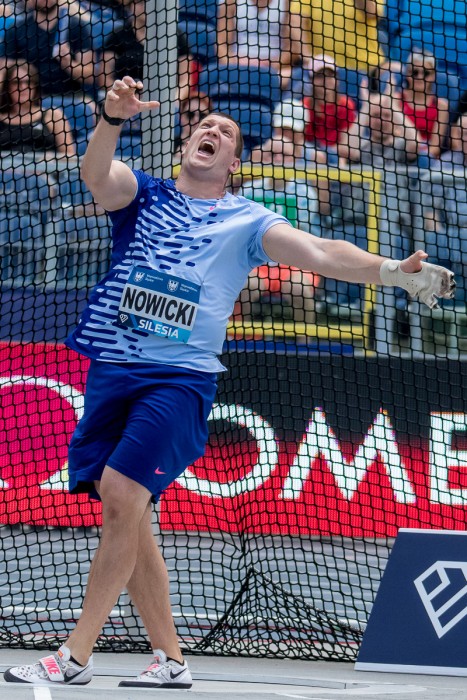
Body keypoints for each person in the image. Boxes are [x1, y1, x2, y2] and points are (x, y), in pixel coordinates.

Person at [4, 75, 455, 689]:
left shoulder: (247, 221)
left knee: (121, 494)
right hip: (113, 369)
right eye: (205, 127)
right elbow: (95, 175)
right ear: (186, 145)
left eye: (226, 132)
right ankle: (171, 660)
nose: (212, 131)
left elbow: (321, 251)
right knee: (130, 516)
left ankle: (75, 657)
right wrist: (110, 118)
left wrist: (393, 272)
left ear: (233, 164)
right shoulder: (145, 195)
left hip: (179, 379)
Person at [0, 0, 98, 102]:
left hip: (70, 98)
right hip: (29, 101)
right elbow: (4, 72)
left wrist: (68, 64)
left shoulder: (76, 26)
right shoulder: (16, 30)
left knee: (89, 106)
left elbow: (90, 76)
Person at [0, 58, 76, 156]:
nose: (23, 87)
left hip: (44, 165)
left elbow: (70, 157)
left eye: (28, 82)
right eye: (16, 82)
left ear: (35, 86)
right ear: (8, 87)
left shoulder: (53, 116)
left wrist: (51, 158)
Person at [289, 0, 385, 72]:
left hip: (366, 69)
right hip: (323, 71)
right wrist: (307, 58)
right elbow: (295, 20)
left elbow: (371, 12)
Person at [217, 0, 293, 86]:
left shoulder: (286, 3)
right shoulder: (231, 2)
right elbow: (221, 43)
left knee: (292, 77)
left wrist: (272, 66)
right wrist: (234, 65)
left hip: (274, 70)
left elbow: (293, 47)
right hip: (238, 65)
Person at [400, 49, 450, 161]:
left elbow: (435, 147)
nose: (420, 77)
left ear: (433, 76)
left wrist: (419, 154)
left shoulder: (441, 106)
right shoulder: (396, 100)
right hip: (400, 154)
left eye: (426, 73)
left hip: (426, 160)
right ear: (407, 74)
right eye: (415, 72)